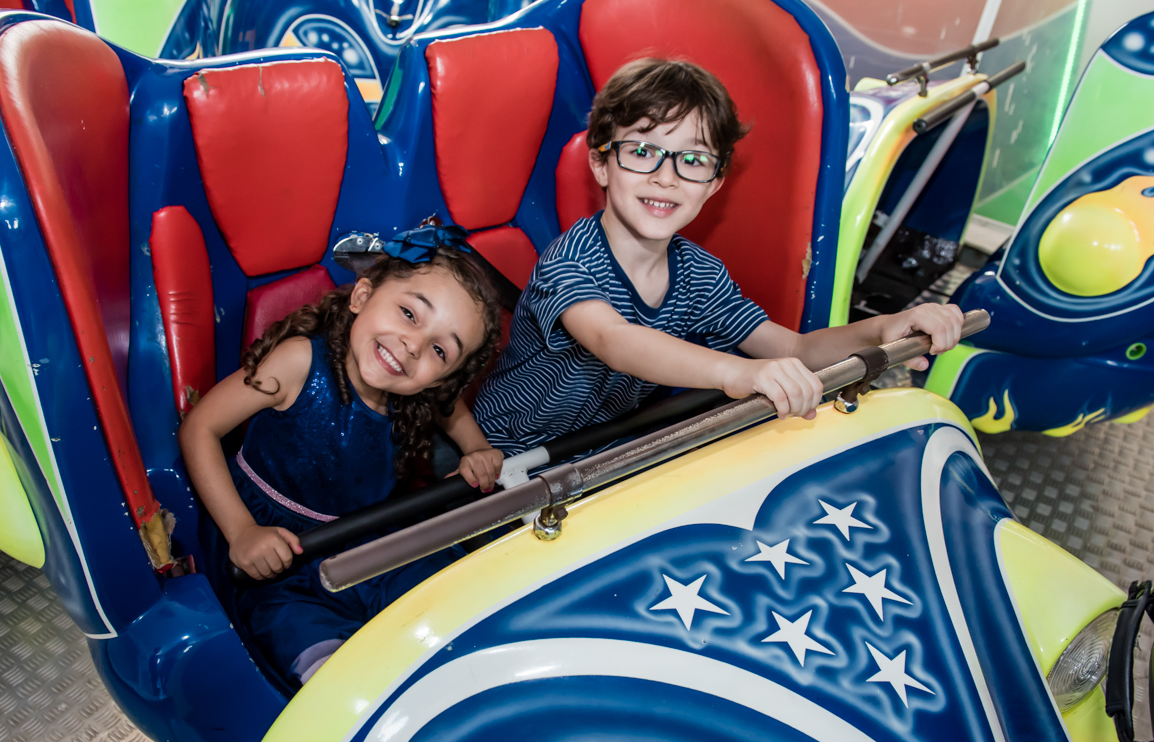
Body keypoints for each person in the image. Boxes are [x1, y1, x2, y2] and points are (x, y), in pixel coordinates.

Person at [473, 58, 964, 456]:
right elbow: (613, 339)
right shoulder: (571, 261)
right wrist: (739, 373)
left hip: (597, 453)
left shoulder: (699, 276)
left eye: (692, 160)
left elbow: (792, 350)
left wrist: (882, 328)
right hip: (506, 449)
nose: (666, 177)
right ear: (601, 163)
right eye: (642, 151)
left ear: (715, 182)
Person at [180, 224, 503, 685]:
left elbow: (450, 409)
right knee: (299, 636)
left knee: (450, 593)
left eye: (438, 349)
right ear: (362, 296)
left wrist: (476, 449)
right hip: (279, 549)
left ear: (440, 377)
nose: (413, 345)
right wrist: (242, 530)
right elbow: (200, 428)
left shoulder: (415, 392)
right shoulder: (295, 364)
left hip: (366, 537)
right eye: (410, 314)